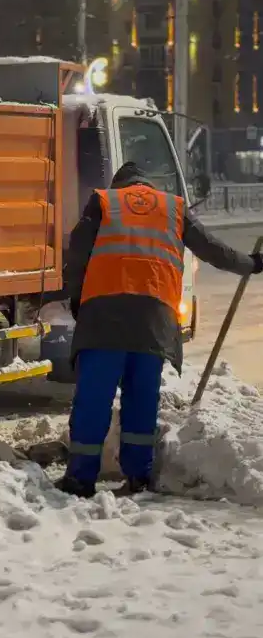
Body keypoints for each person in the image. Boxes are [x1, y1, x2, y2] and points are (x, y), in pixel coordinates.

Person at [57, 162, 263, 498]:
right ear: (148, 186)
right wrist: (251, 263)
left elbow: (78, 255)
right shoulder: (174, 207)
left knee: (94, 400)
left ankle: (80, 479)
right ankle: (139, 476)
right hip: (154, 322)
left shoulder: (104, 202)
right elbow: (213, 249)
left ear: (119, 185)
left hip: (104, 317)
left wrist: (78, 300)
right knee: (142, 400)